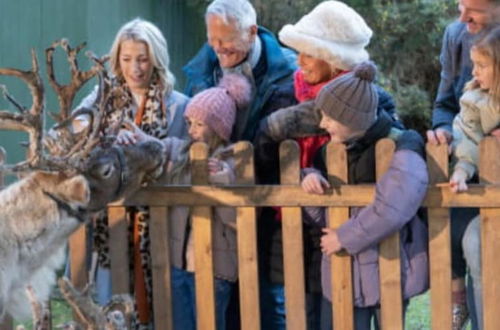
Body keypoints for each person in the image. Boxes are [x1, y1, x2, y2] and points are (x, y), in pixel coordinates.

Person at [252, 2, 399, 328]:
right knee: (293, 314)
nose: (299, 60)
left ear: (333, 59)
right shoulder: (284, 93)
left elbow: (385, 154)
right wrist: (276, 128)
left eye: (309, 52)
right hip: (288, 222)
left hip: (343, 224)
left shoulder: (374, 100)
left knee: (334, 316)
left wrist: (322, 117)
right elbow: (262, 153)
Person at [73, 18, 189, 328]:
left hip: (161, 224)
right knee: (112, 301)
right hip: (113, 223)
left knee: (164, 307)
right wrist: (107, 134)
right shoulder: (103, 98)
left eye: (142, 58)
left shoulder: (178, 105)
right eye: (126, 59)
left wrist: (147, 143)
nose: (135, 68)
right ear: (117, 60)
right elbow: (75, 126)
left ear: (156, 58)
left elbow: (190, 154)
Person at [301, 62, 429, 329]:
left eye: (329, 117)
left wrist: (345, 237)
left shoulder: (404, 143)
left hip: (391, 268)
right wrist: (309, 179)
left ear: (352, 119)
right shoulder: (328, 152)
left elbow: (396, 202)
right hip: (344, 271)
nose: (322, 123)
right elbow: (320, 216)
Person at [129, 73, 251, 330]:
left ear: (218, 128)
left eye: (200, 124)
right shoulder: (178, 149)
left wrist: (222, 179)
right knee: (180, 323)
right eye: (189, 122)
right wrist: (136, 135)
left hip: (215, 267)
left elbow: (239, 219)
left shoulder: (232, 161)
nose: (191, 129)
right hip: (178, 262)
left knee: (208, 323)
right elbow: (156, 148)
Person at [426, 1, 500, 328]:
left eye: (475, 10)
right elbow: (445, 104)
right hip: (473, 168)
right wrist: (445, 130)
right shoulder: (457, 36)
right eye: (460, 6)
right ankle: (467, 309)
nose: (462, 18)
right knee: (461, 238)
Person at [183, 0, 297, 143]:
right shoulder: (199, 72)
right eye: (212, 39)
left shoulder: (289, 73)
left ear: (252, 32)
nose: (218, 48)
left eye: (227, 39)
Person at [449, 24, 500, 330]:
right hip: (490, 200)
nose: (475, 72)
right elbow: (466, 138)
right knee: (475, 244)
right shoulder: (474, 101)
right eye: (474, 65)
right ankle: (485, 321)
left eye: (482, 65)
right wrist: (461, 170)